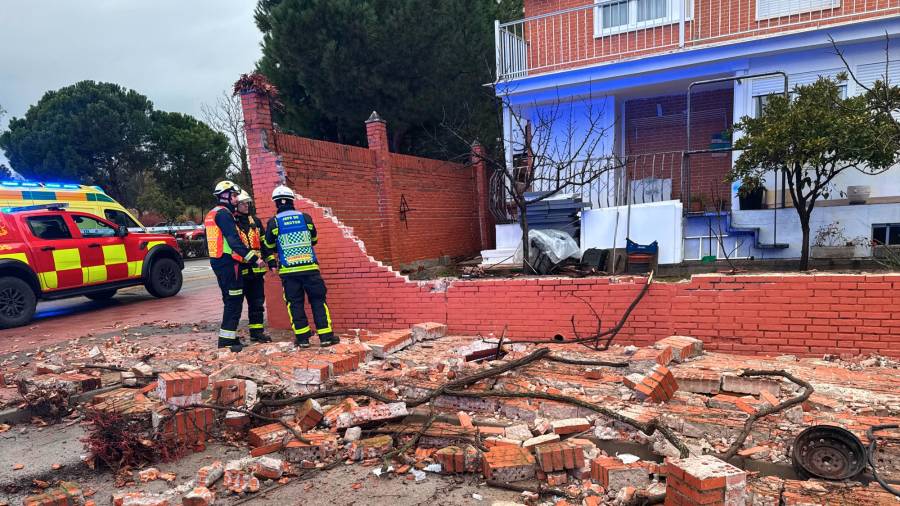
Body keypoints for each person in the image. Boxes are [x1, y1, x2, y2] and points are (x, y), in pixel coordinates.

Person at [263, 185, 337, 348]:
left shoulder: (274, 223)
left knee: (295, 304)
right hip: (310, 269)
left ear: (276, 203)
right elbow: (314, 239)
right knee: (318, 301)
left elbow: (268, 244)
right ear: (292, 200)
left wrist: (274, 259)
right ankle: (326, 337)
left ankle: (303, 339)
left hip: (289, 273)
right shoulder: (305, 218)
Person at [204, 181, 266, 352]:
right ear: (224, 196)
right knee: (234, 301)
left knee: (230, 300)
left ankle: (229, 337)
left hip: (219, 262)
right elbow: (233, 241)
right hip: (229, 264)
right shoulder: (224, 215)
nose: (236, 199)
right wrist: (253, 258)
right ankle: (226, 342)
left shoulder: (212, 214)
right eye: (233, 195)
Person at [235, 190, 272, 344]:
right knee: (235, 305)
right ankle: (231, 335)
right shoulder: (231, 222)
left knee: (257, 304)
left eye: (247, 203)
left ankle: (257, 333)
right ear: (236, 205)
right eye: (243, 203)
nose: (246, 205)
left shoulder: (255, 222)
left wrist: (271, 262)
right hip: (239, 272)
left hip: (256, 272)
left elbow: (264, 244)